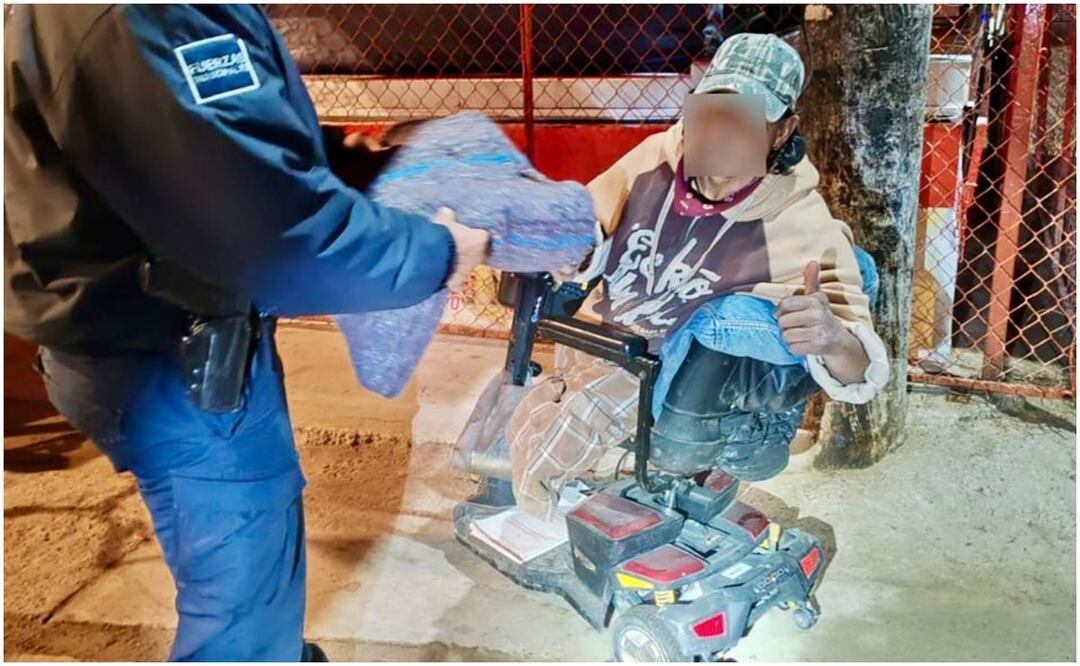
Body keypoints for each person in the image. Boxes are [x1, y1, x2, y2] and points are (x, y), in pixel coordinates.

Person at [4, 5, 490, 661]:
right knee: (241, 620)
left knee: (231, 582)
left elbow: (219, 145)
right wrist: (436, 253)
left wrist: (372, 168)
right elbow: (268, 236)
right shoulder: (147, 13)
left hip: (126, 335)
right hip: (176, 358)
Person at [506, 33, 890, 520]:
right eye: (710, 110)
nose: (720, 131)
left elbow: (862, 370)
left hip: (677, 381)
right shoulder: (655, 157)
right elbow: (589, 224)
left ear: (782, 130)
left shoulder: (803, 222)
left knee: (699, 338)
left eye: (746, 117)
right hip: (606, 343)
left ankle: (752, 438)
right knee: (547, 404)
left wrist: (833, 338)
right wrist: (572, 247)